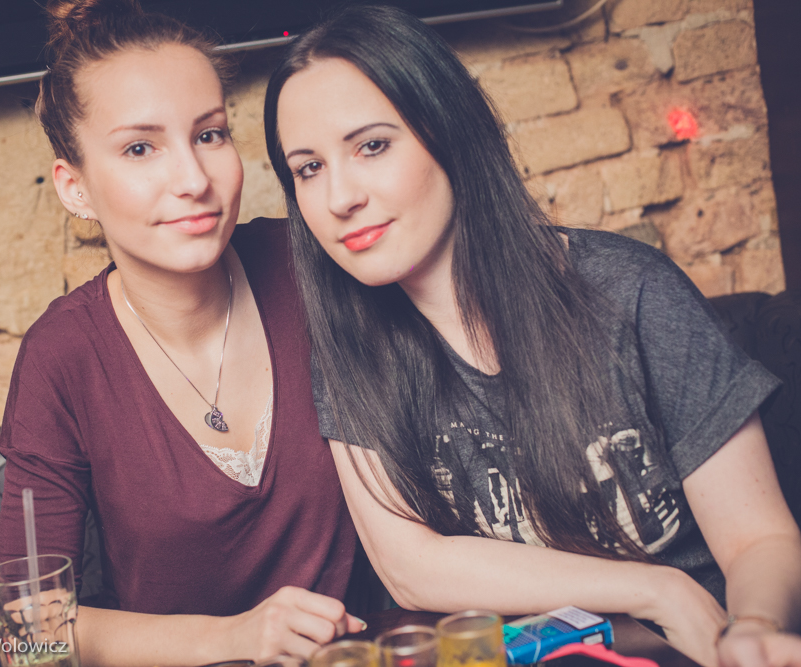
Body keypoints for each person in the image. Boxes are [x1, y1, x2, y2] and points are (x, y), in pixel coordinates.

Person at [262, 6, 801, 667]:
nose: (339, 197)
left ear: (449, 130)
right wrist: (656, 588)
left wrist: (752, 627)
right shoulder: (348, 346)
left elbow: (759, 539)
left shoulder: (629, 291)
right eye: (308, 168)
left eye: (371, 146)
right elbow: (408, 565)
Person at [0, 2, 364, 665]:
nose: (194, 180)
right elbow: (27, 630)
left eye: (210, 135)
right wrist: (235, 637)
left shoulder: (308, 263)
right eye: (140, 148)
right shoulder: (62, 356)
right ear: (75, 187)